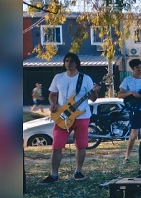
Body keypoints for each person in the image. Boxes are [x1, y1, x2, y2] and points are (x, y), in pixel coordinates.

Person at [40, 52, 100, 184]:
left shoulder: (85, 79)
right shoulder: (58, 77)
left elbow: (93, 99)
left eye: (72, 61)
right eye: (66, 61)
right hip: (62, 116)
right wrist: (53, 104)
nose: (69, 63)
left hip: (81, 116)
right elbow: (52, 94)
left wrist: (95, 91)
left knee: (81, 145)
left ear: (77, 63)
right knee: (56, 146)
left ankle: (78, 171)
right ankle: (54, 175)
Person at [118, 58, 141, 162]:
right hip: (134, 109)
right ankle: (127, 156)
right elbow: (120, 94)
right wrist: (130, 93)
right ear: (133, 68)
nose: (140, 69)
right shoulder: (127, 80)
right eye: (137, 67)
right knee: (134, 134)